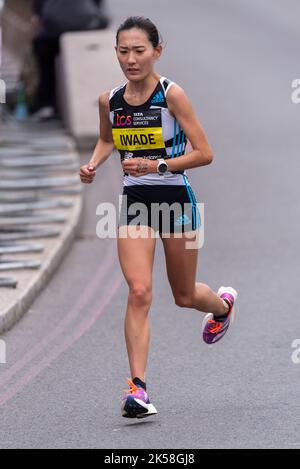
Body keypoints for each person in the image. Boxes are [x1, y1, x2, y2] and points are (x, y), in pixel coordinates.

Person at [79, 16, 238, 419]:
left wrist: (158, 167)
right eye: (123, 51)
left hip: (176, 201)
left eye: (139, 51)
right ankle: (138, 389)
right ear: (115, 52)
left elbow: (205, 153)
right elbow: (106, 137)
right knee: (139, 291)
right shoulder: (109, 100)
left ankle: (220, 307)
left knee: (183, 296)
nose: (131, 59)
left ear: (157, 51)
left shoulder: (172, 96)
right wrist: (94, 163)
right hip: (135, 204)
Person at [31, 0, 110, 121]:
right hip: (86, 23)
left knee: (43, 51)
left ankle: (46, 103)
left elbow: (38, 9)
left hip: (54, 26)